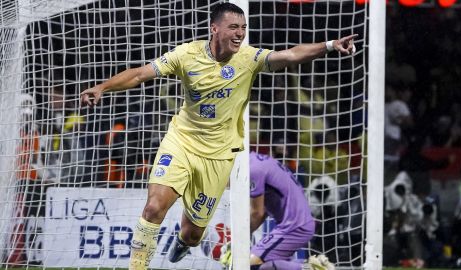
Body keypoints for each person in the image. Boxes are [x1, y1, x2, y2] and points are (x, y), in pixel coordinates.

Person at [80, 3, 357, 269]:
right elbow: (141, 74)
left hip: (218, 156)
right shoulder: (186, 54)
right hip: (182, 142)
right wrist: (103, 87)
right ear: (214, 29)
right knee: (154, 207)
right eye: (233, 27)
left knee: (193, 234)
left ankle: (182, 242)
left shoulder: (248, 58)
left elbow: (291, 55)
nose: (240, 33)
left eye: (243, 28)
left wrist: (330, 46)